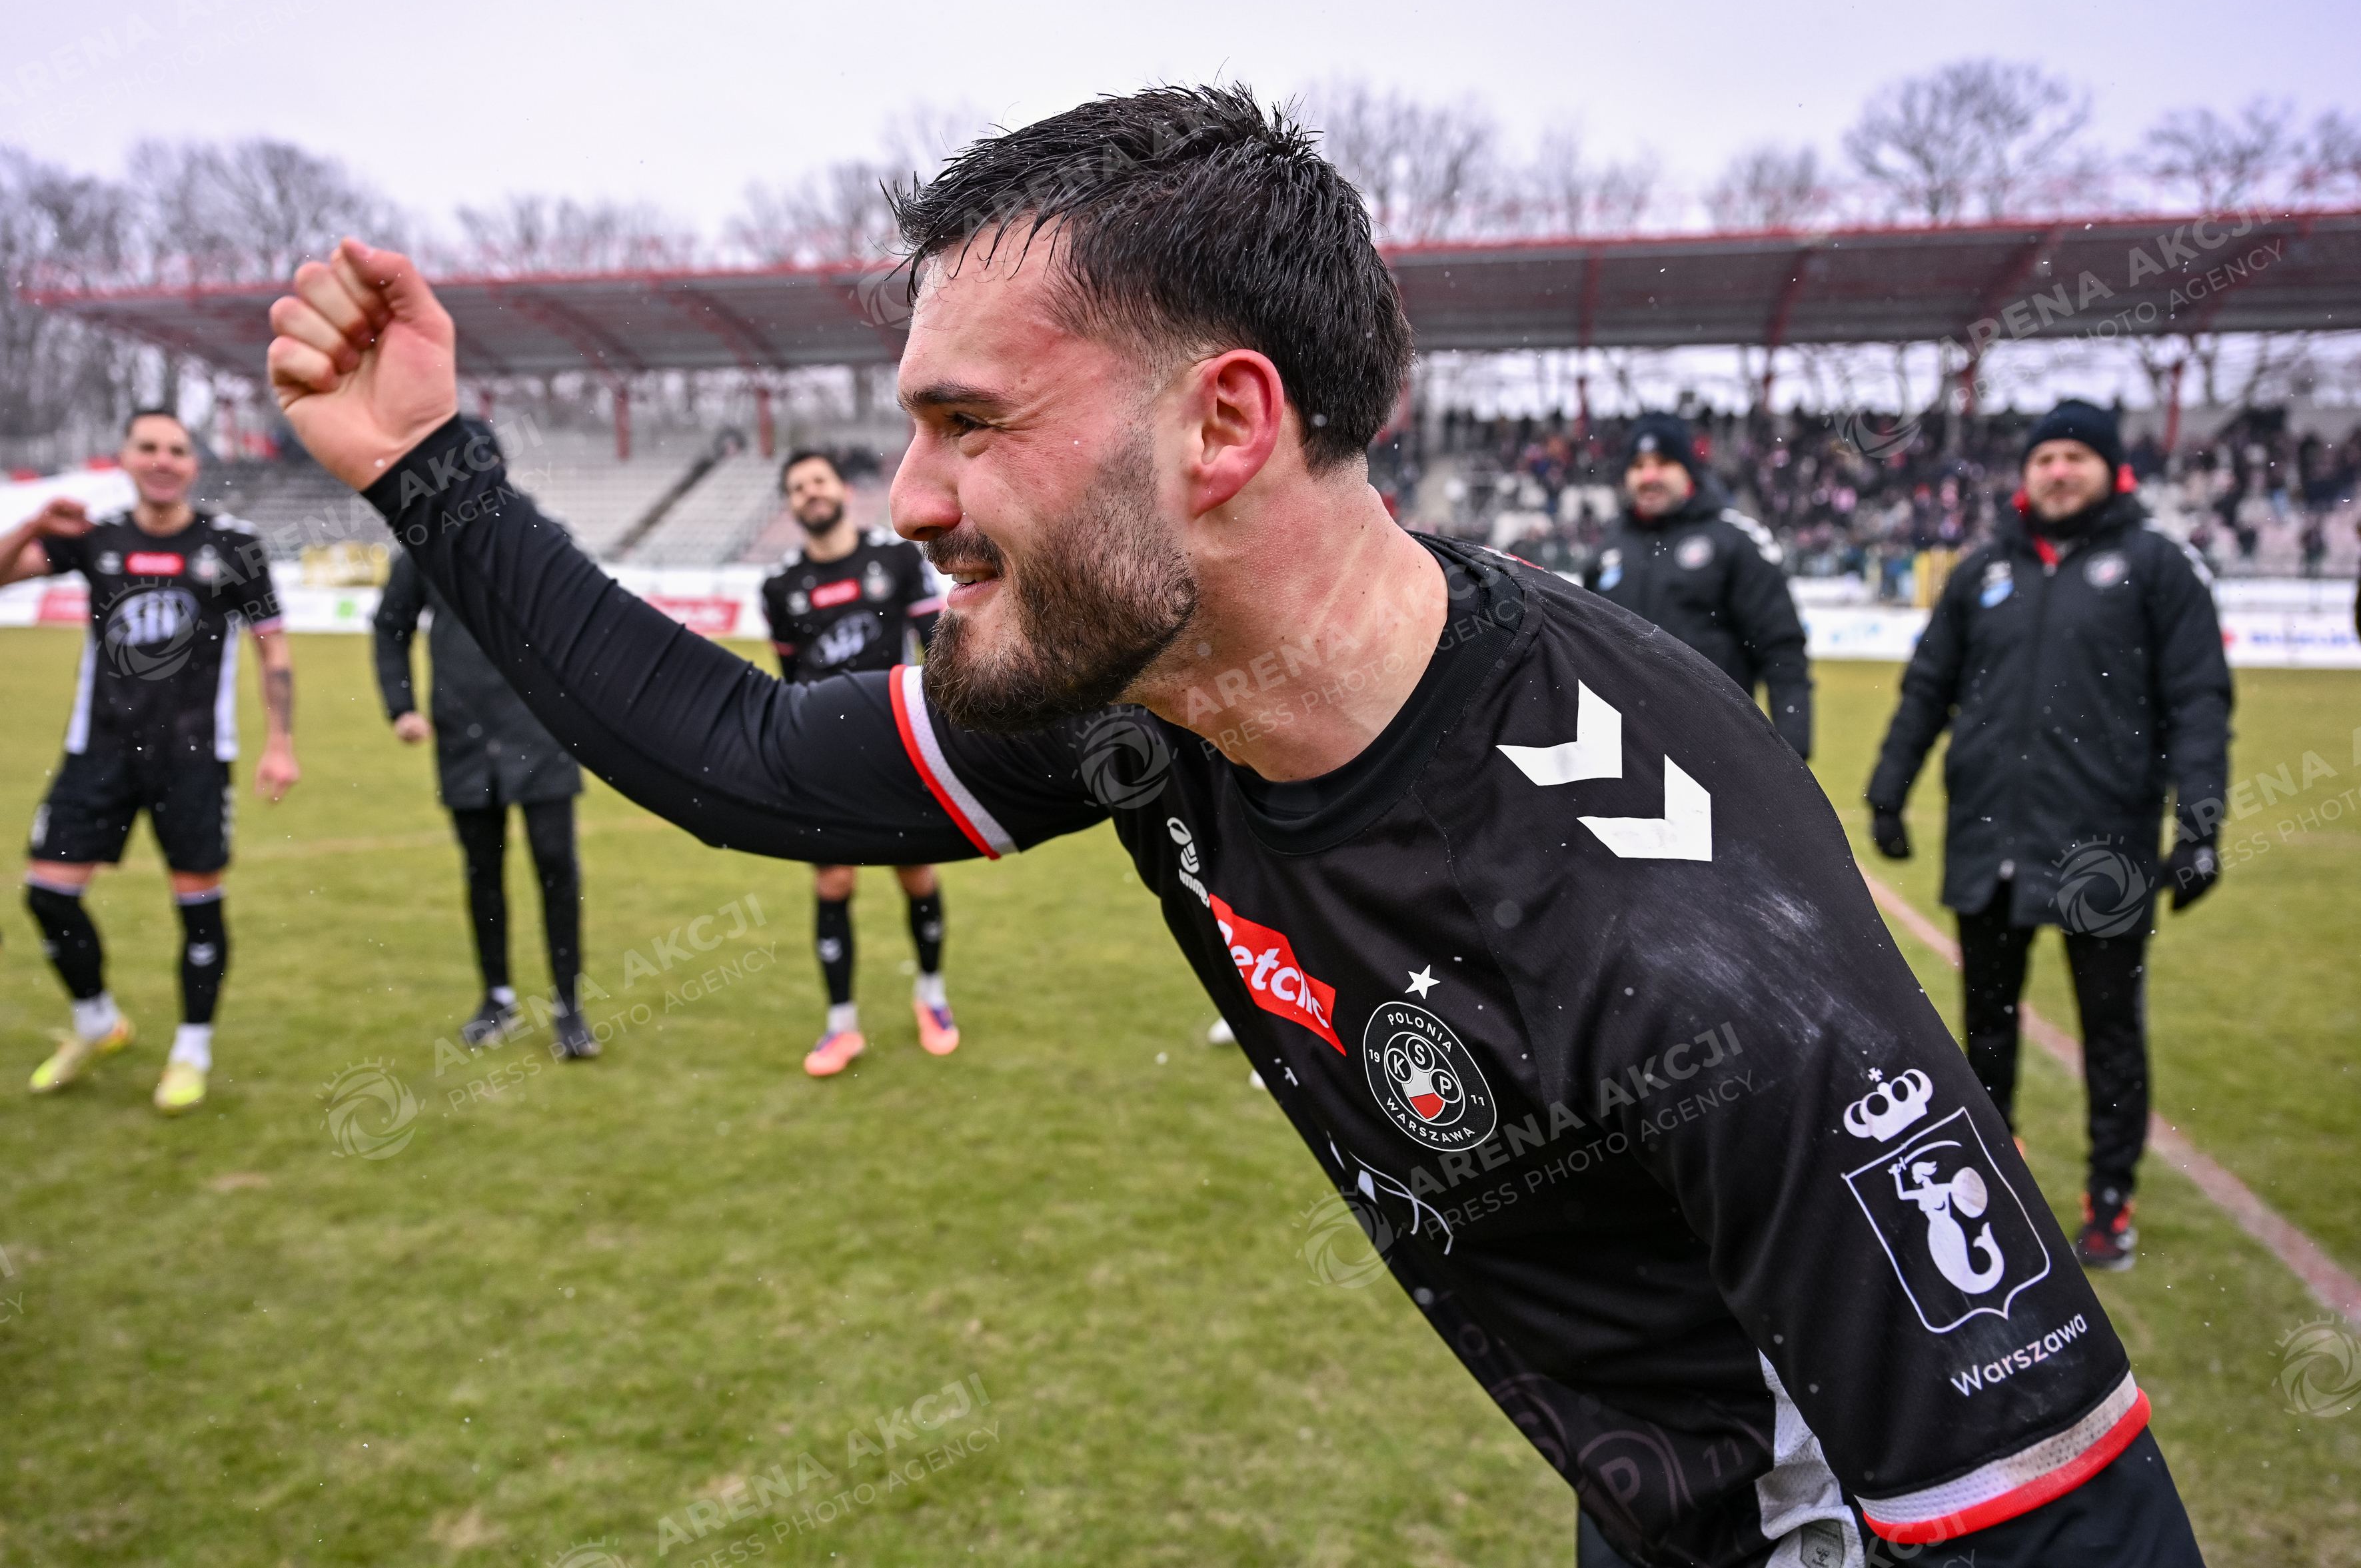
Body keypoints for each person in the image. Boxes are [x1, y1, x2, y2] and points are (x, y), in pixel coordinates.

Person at [265, 87, 2202, 1567]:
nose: (909, 494)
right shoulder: (1157, 691)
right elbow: (751, 756)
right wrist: (430, 468)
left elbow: (2057, 1518)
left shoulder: (1673, 936)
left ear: (1221, 426)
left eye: (968, 421)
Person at [1867, 399, 2232, 1274]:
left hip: (2101, 849)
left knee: (2109, 1033)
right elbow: (1927, 685)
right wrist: (1887, 791)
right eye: (2044, 457)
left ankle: (2109, 1203)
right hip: (1987, 839)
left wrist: (2200, 825)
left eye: (2075, 456)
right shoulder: (1982, 570)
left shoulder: (2155, 566)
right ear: (2025, 474)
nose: (2058, 470)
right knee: (1982, 1032)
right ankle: (1992, 1182)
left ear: (2112, 469)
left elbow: (2197, 699)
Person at [1, 408, 299, 1114]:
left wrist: (280, 743)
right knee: (47, 894)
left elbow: (274, 649)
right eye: (149, 447)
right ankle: (97, 1022)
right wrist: (34, 525)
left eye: (177, 449)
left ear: (193, 464)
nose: (163, 460)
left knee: (197, 905)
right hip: (99, 749)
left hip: (193, 757)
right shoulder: (95, 537)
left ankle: (192, 1049)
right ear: (127, 458)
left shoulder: (234, 547)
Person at [758, 448, 954, 1076]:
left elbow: (937, 648)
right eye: (797, 488)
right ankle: (841, 1026)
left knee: (915, 875)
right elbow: (789, 681)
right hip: (823, 758)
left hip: (897, 747)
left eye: (818, 481)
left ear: (842, 489)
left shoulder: (894, 560)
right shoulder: (781, 588)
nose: (809, 493)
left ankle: (932, 997)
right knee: (833, 883)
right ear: (791, 505)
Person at [372, 512, 596, 1060]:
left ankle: (568, 1006)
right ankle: (497, 998)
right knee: (482, 871)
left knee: (556, 867)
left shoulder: (538, 533)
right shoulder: (426, 543)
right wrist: (401, 706)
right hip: (464, 737)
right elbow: (391, 624)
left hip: (539, 732)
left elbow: (587, 614)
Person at [1583, 412, 1813, 757]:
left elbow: (1782, 649)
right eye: (1638, 466)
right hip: (1624, 756)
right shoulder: (1608, 547)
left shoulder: (1735, 540)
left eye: (1663, 463)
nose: (1649, 476)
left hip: (1715, 752)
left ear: (1688, 469)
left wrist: (1793, 753)